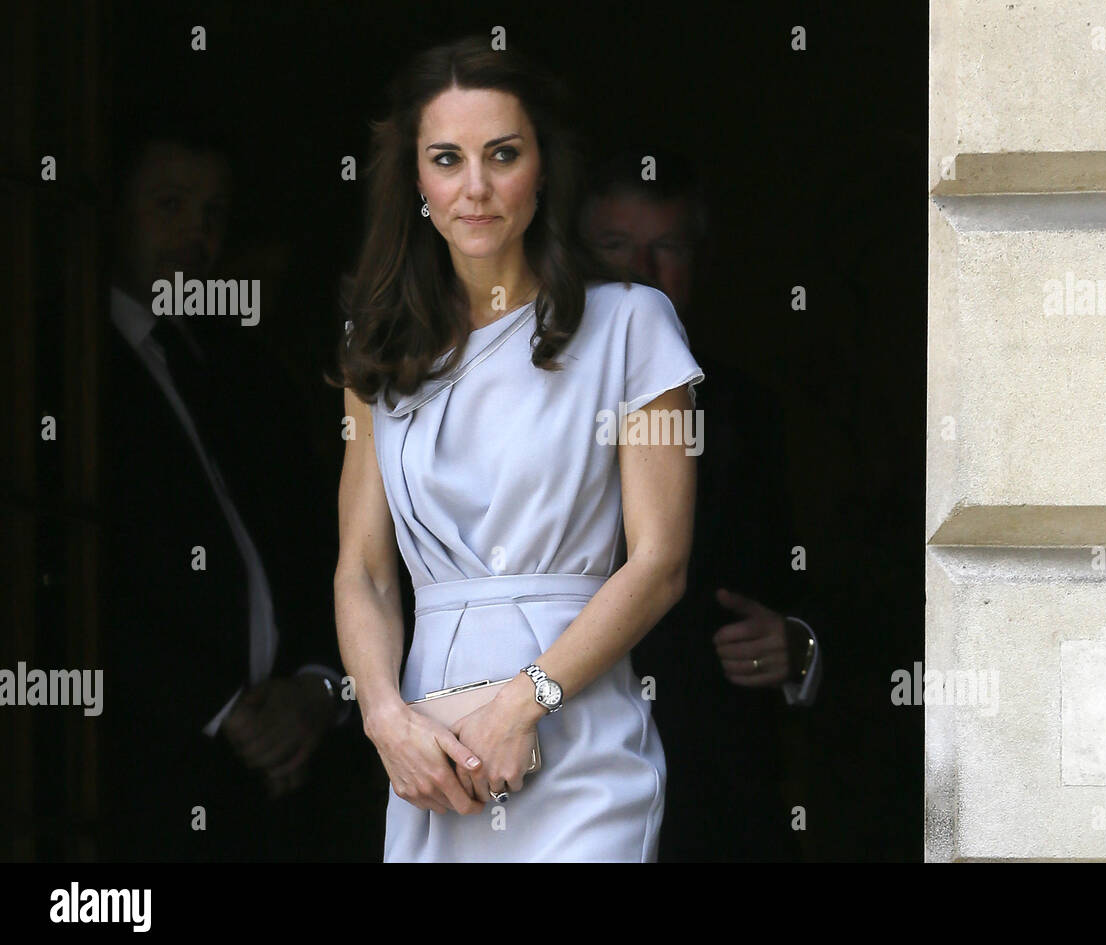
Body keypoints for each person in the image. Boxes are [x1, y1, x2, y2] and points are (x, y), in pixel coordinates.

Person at [331, 35, 702, 862]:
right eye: (446, 159)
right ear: (415, 181)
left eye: (503, 154)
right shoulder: (379, 349)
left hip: (578, 740)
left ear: (543, 167)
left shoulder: (634, 324)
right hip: (429, 751)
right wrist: (384, 717)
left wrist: (523, 703)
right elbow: (362, 569)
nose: (476, 188)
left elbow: (661, 562)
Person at [99, 119, 360, 860]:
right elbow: (82, 570)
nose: (196, 234)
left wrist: (315, 688)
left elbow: (322, 542)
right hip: (149, 773)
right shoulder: (69, 371)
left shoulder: (249, 374)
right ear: (114, 209)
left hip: (288, 782)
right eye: (170, 205)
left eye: (213, 214)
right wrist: (221, 709)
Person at [581, 147, 824, 860]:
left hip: (712, 792)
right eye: (616, 246)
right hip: (552, 767)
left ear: (700, 262)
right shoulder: (513, 396)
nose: (640, 275)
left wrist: (800, 641)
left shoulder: (750, 412)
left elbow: (833, 573)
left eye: (667, 249)